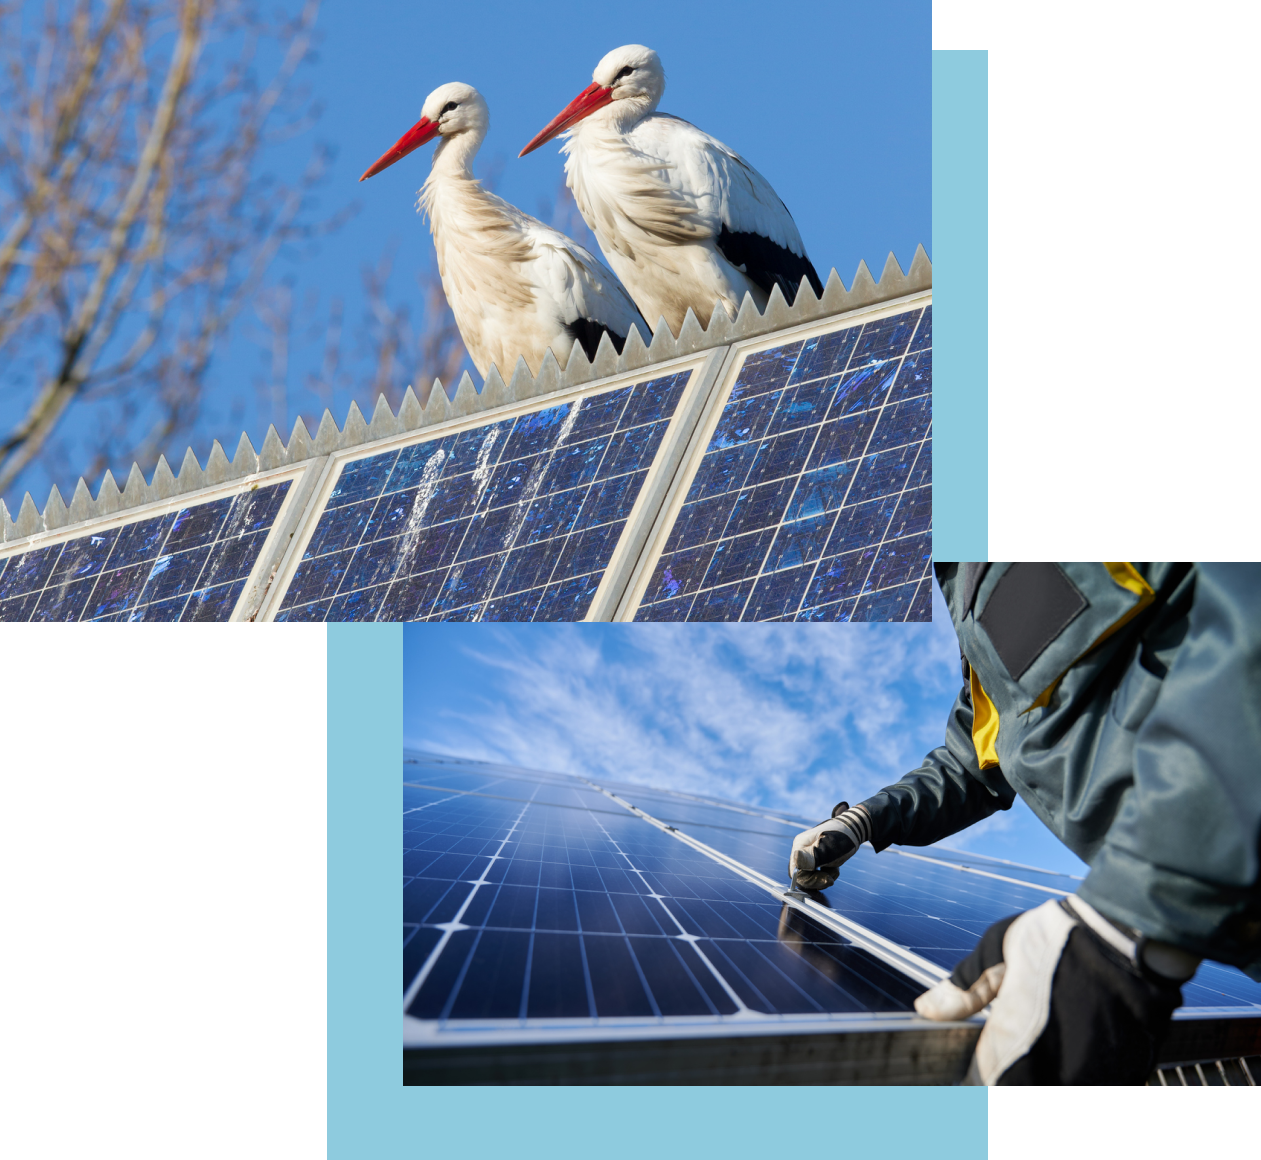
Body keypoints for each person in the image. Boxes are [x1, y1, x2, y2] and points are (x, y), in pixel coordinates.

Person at [789, 562, 1261, 1085]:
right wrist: (863, 820)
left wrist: (1120, 924)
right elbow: (970, 763)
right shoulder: (969, 604)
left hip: (1180, 876)